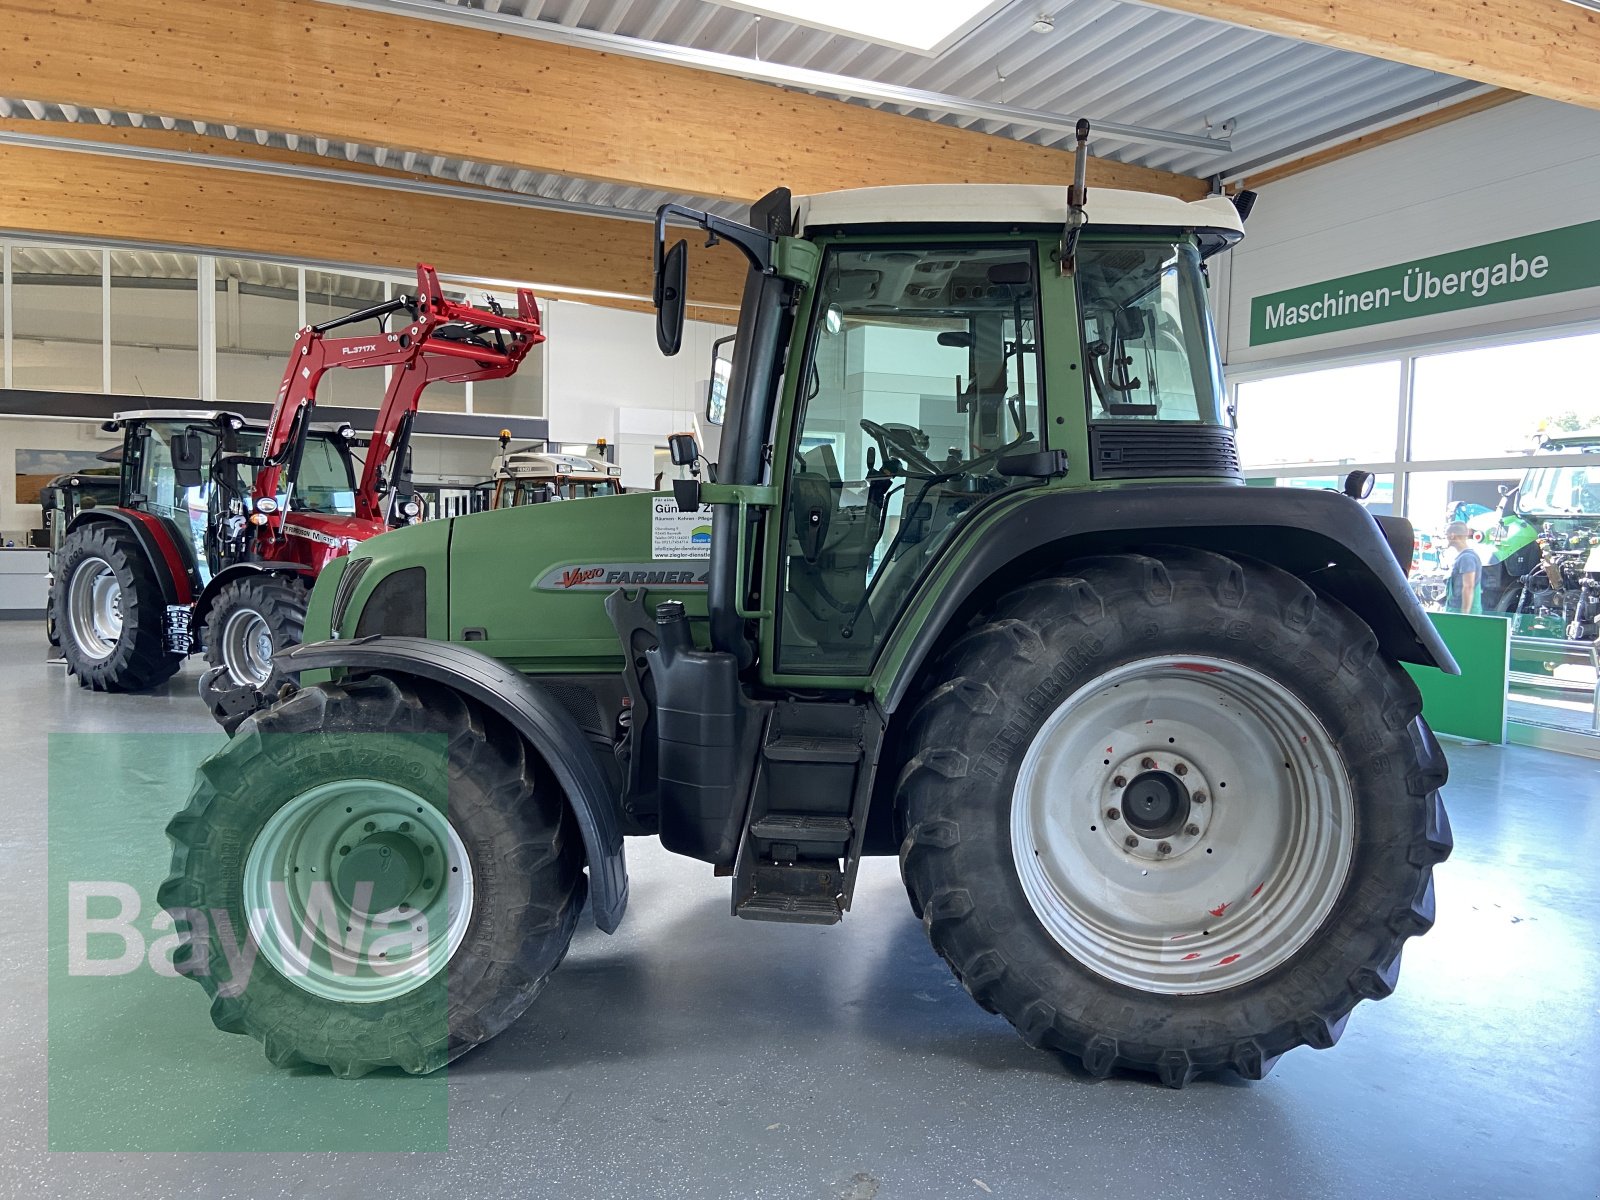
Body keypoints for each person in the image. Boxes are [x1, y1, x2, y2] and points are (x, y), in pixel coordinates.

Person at [1444, 521, 1483, 614]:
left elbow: (1468, 587)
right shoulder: (1463, 557)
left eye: (1446, 534)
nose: (1445, 537)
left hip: (1461, 615)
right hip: (1455, 612)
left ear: (1452, 535)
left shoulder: (1466, 558)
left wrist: (1464, 616)